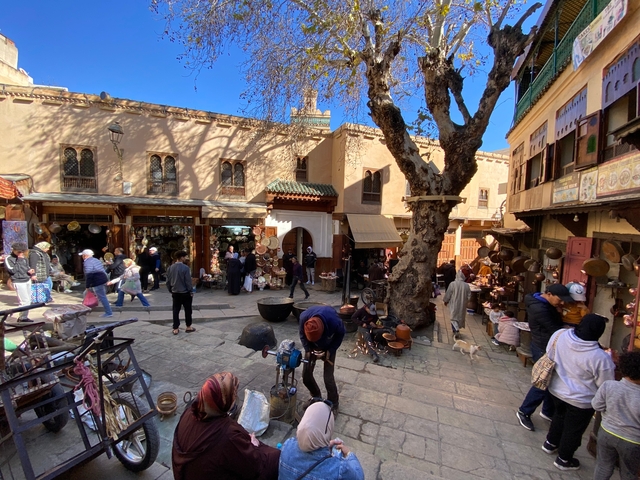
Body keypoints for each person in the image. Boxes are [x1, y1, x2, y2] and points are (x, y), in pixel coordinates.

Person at [172, 372, 280, 480]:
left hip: (184, 474)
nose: (235, 398)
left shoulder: (190, 411)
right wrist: (255, 446)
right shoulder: (228, 434)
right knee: (275, 459)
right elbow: (254, 466)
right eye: (233, 395)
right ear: (224, 402)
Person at [542, 314, 615, 471]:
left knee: (559, 416)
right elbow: (605, 384)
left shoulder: (560, 335)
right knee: (573, 429)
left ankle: (550, 443)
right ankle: (564, 459)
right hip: (581, 400)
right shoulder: (600, 357)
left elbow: (549, 353)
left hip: (556, 389)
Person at [516, 283, 574, 431]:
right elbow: (555, 328)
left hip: (546, 345)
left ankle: (547, 411)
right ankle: (524, 411)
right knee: (542, 382)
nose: (561, 303)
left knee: (550, 380)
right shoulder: (540, 308)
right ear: (549, 294)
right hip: (544, 347)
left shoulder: (542, 304)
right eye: (559, 299)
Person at [278, 400, 365, 480]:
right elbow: (359, 477)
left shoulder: (287, 446)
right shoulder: (338, 468)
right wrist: (349, 454)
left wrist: (322, 444)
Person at [592, 350, 640, 480]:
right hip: (633, 441)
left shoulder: (609, 386)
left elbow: (596, 405)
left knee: (603, 466)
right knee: (629, 473)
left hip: (607, 432)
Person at [299, 305, 345, 410]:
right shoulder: (304, 318)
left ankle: (333, 403)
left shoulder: (334, 321)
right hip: (311, 348)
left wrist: (330, 351)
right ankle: (316, 397)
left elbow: (341, 334)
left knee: (328, 378)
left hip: (329, 344)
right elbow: (302, 334)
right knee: (306, 375)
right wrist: (308, 349)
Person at [5, 242, 37, 321]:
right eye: (19, 251)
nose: (21, 253)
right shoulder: (9, 258)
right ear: (13, 250)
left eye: (22, 251)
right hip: (18, 281)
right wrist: (19, 260)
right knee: (24, 301)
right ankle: (22, 317)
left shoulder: (24, 257)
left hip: (27, 280)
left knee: (28, 300)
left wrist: (30, 272)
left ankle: (24, 316)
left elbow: (26, 267)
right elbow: (12, 270)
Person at [166, 250, 195, 335]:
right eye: (185, 257)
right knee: (188, 310)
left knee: (175, 310)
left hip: (175, 292)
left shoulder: (170, 268)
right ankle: (188, 326)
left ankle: (175, 328)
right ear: (181, 257)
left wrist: (170, 290)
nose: (186, 258)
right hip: (185, 292)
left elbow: (168, 281)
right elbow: (188, 281)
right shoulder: (185, 268)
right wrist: (191, 290)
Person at [80, 249, 113, 318]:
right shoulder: (96, 260)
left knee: (102, 297)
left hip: (97, 281)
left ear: (85, 256)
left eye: (82, 255)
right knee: (87, 294)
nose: (82, 257)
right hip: (102, 279)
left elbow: (89, 274)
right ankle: (85, 310)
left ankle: (109, 312)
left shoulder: (87, 263)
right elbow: (102, 270)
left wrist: (87, 285)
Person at [443, 270, 471, 337]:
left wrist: (446, 300)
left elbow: (448, 293)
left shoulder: (452, 284)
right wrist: (466, 302)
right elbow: (469, 296)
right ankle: (456, 329)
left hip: (454, 303)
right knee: (459, 317)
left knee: (453, 317)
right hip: (462, 304)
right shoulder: (466, 285)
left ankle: (456, 329)